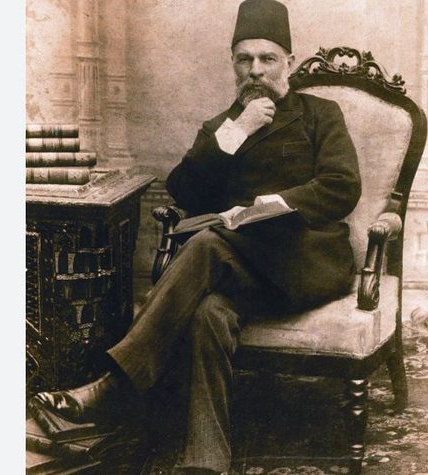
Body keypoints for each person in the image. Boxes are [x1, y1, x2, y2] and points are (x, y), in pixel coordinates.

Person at [32, 1, 361, 473]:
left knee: (206, 243)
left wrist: (273, 204)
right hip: (242, 271)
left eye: (267, 58)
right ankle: (206, 462)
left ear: (289, 61)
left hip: (304, 261)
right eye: (244, 59)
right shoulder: (221, 129)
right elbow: (185, 190)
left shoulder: (320, 114)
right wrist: (237, 132)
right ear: (233, 64)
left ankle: (114, 386)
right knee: (209, 313)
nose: (255, 70)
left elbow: (342, 186)